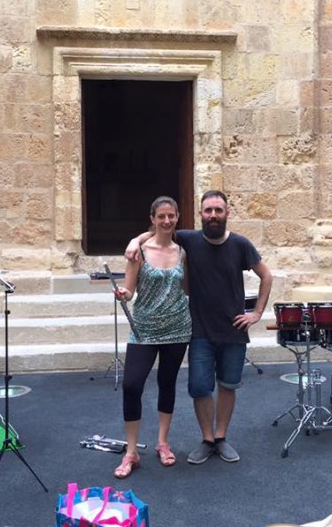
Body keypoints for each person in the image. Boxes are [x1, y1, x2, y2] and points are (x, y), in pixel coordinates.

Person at [125, 190, 272, 464]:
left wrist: (257, 313)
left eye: (218, 210)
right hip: (200, 331)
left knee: (227, 385)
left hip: (233, 330)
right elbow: (160, 230)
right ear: (200, 214)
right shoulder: (189, 240)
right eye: (208, 210)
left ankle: (221, 437)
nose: (213, 215)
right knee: (200, 388)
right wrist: (135, 240)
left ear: (227, 213)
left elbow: (266, 275)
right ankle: (207, 439)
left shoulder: (241, 244)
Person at [111, 196, 192, 479]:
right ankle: (131, 451)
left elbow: (186, 288)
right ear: (153, 219)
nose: (167, 221)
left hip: (178, 328)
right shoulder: (139, 252)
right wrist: (123, 294)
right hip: (143, 329)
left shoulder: (183, 252)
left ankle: (162, 442)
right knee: (132, 385)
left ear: (177, 217)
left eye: (171, 216)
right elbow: (130, 290)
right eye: (161, 216)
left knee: (167, 383)